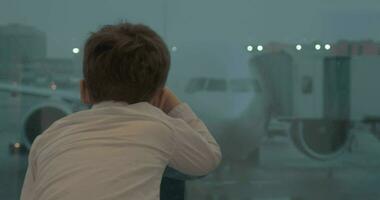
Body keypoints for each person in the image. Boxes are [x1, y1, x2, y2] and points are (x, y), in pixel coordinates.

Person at [20, 22, 221, 200]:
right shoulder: (160, 127)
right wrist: (174, 106)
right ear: (158, 96)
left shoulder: (46, 139)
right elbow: (209, 158)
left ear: (83, 91)